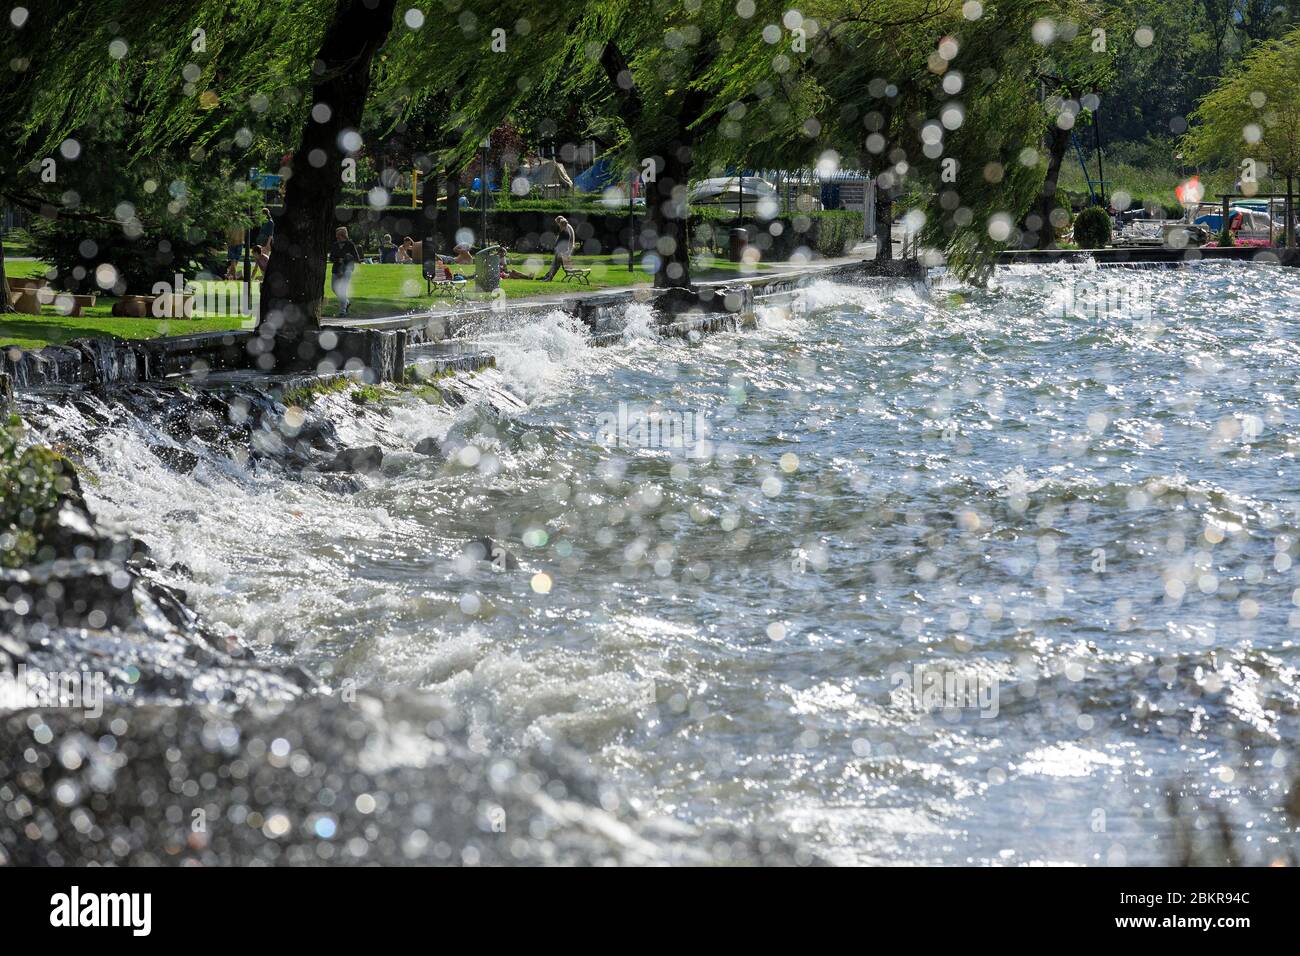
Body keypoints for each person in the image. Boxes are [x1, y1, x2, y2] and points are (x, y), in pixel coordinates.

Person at [330, 226, 363, 316]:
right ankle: (347, 302)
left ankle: (342, 311)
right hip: (336, 269)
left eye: (338, 236)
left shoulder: (350, 245)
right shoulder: (335, 245)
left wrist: (347, 259)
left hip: (346, 270)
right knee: (334, 288)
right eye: (336, 236)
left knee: (342, 289)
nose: (337, 238)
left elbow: (357, 258)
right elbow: (331, 258)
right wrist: (338, 260)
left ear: (343, 235)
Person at [541, 215, 576, 281]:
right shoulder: (565, 230)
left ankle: (548, 278)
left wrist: (566, 252)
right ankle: (548, 277)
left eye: (558, 223)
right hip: (564, 251)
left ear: (561, 223)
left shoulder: (566, 231)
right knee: (555, 264)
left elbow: (566, 242)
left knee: (555, 265)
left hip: (563, 251)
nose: (558, 225)